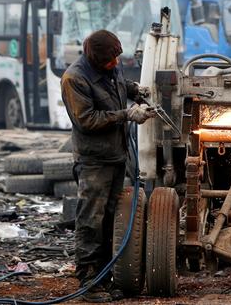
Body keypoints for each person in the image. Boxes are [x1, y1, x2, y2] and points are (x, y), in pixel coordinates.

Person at [60, 30, 153, 303]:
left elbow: (117, 84)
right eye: (110, 61)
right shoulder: (74, 78)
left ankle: (105, 277)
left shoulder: (110, 63)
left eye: (117, 58)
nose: (115, 64)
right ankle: (88, 281)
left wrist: (135, 90)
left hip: (116, 157)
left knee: (111, 220)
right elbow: (87, 120)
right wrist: (127, 114)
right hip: (93, 162)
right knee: (91, 221)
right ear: (95, 58)